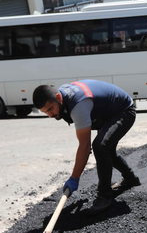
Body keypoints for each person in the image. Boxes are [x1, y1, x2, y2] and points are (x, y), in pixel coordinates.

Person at [32, 80, 140, 214]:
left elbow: (84, 146)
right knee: (107, 150)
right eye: (45, 112)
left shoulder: (78, 105)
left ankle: (105, 197)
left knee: (101, 147)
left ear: (58, 98)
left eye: (50, 109)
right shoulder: (63, 96)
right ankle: (131, 179)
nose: (50, 115)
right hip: (109, 112)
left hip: (124, 111)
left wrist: (74, 178)